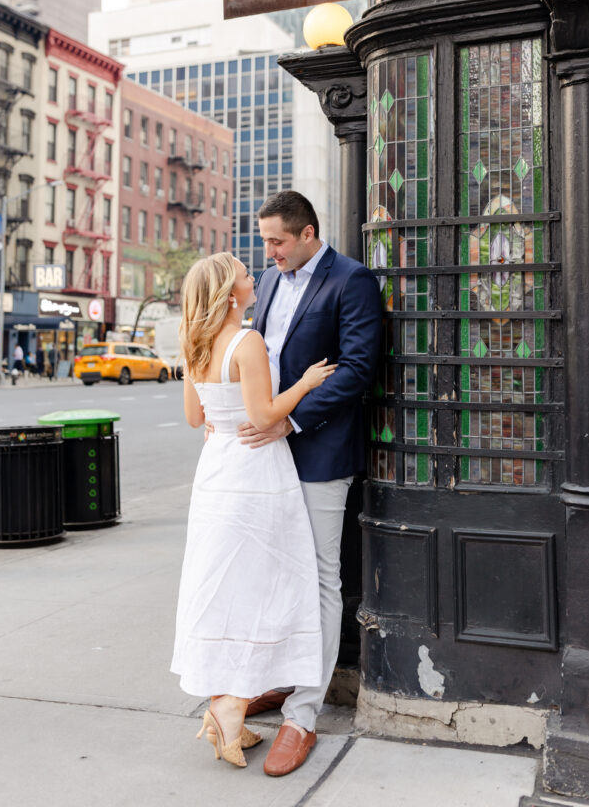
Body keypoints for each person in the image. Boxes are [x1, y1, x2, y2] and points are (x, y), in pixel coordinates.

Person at [171, 252, 336, 769]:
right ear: (229, 292)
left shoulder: (194, 344)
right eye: (245, 274)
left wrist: (224, 413)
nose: (253, 277)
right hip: (258, 472)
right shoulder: (247, 342)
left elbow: (196, 416)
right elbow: (265, 414)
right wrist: (307, 383)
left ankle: (229, 706)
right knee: (268, 584)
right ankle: (229, 707)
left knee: (225, 587)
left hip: (216, 472)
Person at [243, 190, 382, 778]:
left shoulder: (351, 280)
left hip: (320, 450)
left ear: (307, 234)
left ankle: (303, 713)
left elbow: (357, 367)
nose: (267, 251)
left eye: (276, 240)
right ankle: (279, 680)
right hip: (266, 453)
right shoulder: (270, 282)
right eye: (265, 240)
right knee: (275, 572)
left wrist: (292, 419)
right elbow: (263, 355)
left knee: (322, 578)